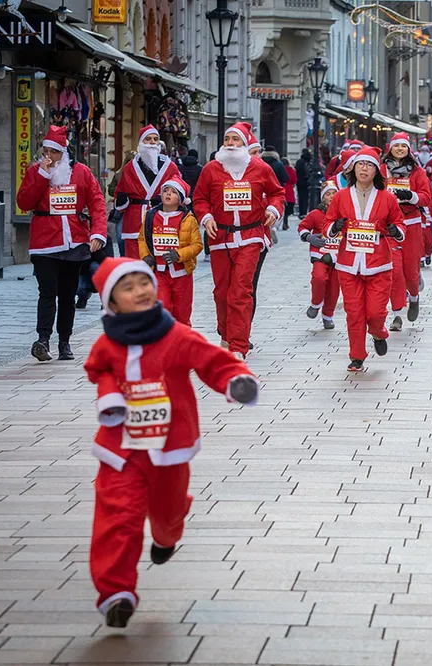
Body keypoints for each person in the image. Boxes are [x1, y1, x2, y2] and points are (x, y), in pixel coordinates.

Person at [83, 256, 259, 628]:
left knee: (167, 511)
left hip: (169, 448)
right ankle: (116, 594)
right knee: (118, 517)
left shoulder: (176, 334)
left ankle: (166, 536)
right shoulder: (106, 343)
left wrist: (235, 380)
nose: (140, 291)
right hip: (121, 448)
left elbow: (212, 361)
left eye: (143, 283)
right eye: (128, 288)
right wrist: (110, 395)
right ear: (110, 303)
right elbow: (98, 369)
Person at [193, 122, 286, 360]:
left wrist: (274, 211)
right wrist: (206, 217)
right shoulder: (211, 169)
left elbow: (277, 193)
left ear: (245, 144)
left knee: (241, 291)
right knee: (222, 292)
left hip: (250, 236)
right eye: (227, 140)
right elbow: (200, 198)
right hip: (220, 237)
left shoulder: (260, 168)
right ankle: (226, 332)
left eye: (236, 140)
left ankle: (238, 346)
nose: (231, 145)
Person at [16, 125, 108, 363]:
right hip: (44, 243)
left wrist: (97, 234)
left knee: (68, 295)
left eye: (54, 152)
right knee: (47, 292)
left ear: (64, 152)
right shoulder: (36, 172)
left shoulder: (82, 173)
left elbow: (97, 203)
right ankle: (43, 340)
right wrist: (42, 177)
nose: (48, 157)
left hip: (75, 242)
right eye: (45, 151)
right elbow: (24, 202)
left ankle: (64, 342)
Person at [323, 147, 405, 372]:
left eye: (369, 165)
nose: (364, 168)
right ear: (353, 169)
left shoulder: (387, 198)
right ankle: (357, 355)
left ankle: (379, 333)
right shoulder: (340, 196)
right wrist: (334, 227)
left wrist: (395, 231)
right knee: (355, 312)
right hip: (348, 263)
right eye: (360, 164)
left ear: (376, 170)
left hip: (378, 262)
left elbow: (400, 224)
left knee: (376, 312)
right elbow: (327, 222)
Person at [382, 133, 432, 328]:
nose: (400, 149)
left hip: (411, 225)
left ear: (408, 150)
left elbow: (427, 197)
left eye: (403, 146)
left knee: (410, 271)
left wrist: (411, 196)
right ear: (391, 148)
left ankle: (413, 297)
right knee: (394, 270)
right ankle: (397, 314)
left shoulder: (417, 172)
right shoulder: (382, 170)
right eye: (397, 146)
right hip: (390, 225)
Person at [137, 177, 202, 325]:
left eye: (173, 192)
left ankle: (183, 344)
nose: (168, 194)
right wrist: (146, 256)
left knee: (182, 313)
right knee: (162, 309)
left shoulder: (188, 219)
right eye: (165, 190)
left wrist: (178, 255)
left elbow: (197, 245)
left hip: (182, 274)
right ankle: (164, 344)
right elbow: (142, 239)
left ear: (180, 199)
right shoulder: (150, 216)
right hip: (160, 273)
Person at [114, 126, 181, 259]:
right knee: (135, 264)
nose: (152, 142)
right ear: (141, 143)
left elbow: (180, 189)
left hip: (161, 219)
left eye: (155, 139)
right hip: (134, 222)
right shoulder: (129, 168)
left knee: (160, 263)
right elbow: (119, 195)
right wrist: (122, 199)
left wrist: (166, 199)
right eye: (148, 139)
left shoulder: (170, 167)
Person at [298, 180, 340, 330]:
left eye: (334, 193)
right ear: (323, 197)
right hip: (320, 253)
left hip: (338, 256)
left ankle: (328, 315)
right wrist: (309, 238)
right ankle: (316, 303)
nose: (332, 196)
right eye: (328, 194)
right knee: (319, 278)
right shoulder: (316, 214)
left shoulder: (343, 213)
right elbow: (303, 227)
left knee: (334, 288)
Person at [295, 150, 313, 214]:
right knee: (306, 197)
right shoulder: (310, 161)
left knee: (300, 197)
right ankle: (304, 211)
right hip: (307, 182)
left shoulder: (299, 161)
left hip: (300, 182)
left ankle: (301, 212)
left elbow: (296, 171)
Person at [281, 157, 297, 230]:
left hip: (281, 188)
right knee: (287, 210)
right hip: (289, 190)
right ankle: (285, 222)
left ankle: (282, 222)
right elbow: (294, 180)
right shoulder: (291, 170)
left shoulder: (280, 169)